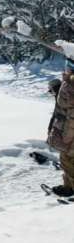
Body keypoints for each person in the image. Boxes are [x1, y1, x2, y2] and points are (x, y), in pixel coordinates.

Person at [47, 60, 74, 197]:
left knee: (67, 161)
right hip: (67, 134)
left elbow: (66, 114)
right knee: (67, 161)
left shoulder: (69, 87)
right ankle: (68, 187)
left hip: (69, 136)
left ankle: (71, 188)